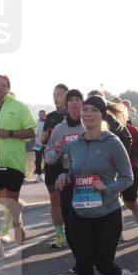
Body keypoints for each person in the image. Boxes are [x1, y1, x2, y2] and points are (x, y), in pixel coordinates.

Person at [55, 95, 137, 275]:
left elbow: (127, 178)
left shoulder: (112, 143)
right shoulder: (74, 145)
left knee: (103, 264)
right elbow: (73, 173)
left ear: (102, 116)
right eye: (85, 109)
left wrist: (107, 188)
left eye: (93, 110)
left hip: (107, 213)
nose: (88, 114)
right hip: (80, 212)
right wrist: (64, 177)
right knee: (83, 263)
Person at [0, 75, 37, 258]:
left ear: (8, 88)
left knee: (12, 204)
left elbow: (32, 131)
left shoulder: (20, 107)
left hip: (12, 164)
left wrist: (11, 133)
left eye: (3, 85)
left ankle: (18, 227)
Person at [44, 89, 85, 251]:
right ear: (67, 105)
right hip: (68, 178)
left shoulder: (90, 124)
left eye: (78, 99)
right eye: (71, 100)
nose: (74, 102)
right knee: (71, 223)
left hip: (88, 180)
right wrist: (58, 149)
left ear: (82, 103)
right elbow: (49, 158)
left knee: (86, 222)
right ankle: (79, 259)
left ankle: (87, 257)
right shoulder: (59, 129)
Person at [40, 84, 70, 248]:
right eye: (54, 94)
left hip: (69, 163)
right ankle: (59, 235)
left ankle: (75, 229)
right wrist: (44, 138)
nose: (55, 97)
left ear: (67, 95)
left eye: (59, 94)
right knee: (54, 198)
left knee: (70, 199)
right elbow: (43, 140)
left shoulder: (76, 116)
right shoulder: (50, 117)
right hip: (53, 162)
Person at [34, 109, 47, 183]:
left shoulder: (48, 123)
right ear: (39, 115)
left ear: (45, 115)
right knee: (38, 161)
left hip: (46, 145)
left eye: (43, 115)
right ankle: (39, 175)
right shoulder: (36, 122)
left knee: (47, 160)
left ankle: (47, 174)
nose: (42, 116)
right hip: (37, 144)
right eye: (40, 115)